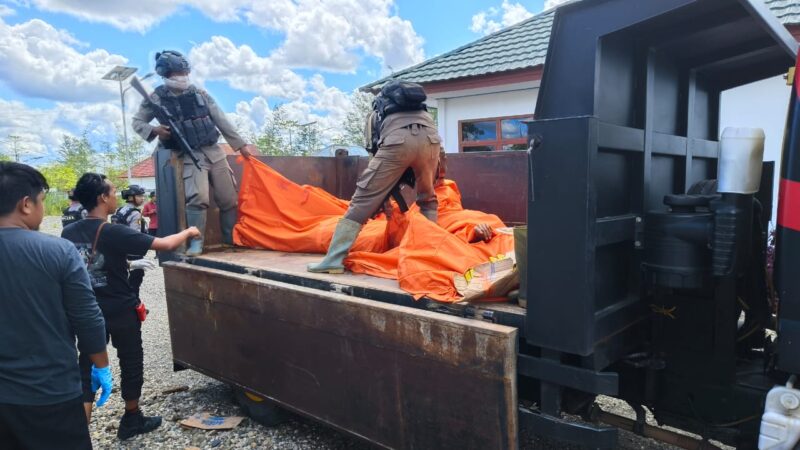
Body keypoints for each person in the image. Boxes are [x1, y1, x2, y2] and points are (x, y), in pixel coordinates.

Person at [62, 173, 200, 440]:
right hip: (120, 308)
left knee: (86, 368)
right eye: (113, 191)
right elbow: (166, 244)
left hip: (87, 309)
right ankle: (132, 418)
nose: (116, 196)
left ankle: (77, 438)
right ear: (102, 197)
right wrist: (190, 231)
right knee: (131, 361)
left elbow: (82, 263)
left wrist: (126, 265)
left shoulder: (68, 231)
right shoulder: (113, 231)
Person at [0, 162, 112, 450]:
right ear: (26, 204)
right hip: (49, 394)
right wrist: (101, 365)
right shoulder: (56, 251)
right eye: (41, 201)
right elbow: (87, 318)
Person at [131, 50, 259, 256]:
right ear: (166, 74)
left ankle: (229, 239)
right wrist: (155, 130)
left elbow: (220, 118)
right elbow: (137, 121)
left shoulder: (199, 93)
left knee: (229, 198)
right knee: (198, 197)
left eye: (184, 72)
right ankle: (196, 242)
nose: (182, 77)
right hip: (189, 154)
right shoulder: (156, 98)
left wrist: (240, 145)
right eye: (176, 73)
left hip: (214, 150)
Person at [308, 80, 441, 273]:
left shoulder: (377, 112)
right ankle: (431, 258)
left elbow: (374, 146)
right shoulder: (424, 112)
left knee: (362, 200)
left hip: (397, 143)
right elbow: (435, 153)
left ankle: (333, 259)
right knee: (428, 201)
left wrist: (378, 190)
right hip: (432, 140)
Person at [112, 184, 147, 298]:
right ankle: (135, 306)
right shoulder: (135, 213)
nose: (143, 198)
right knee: (136, 279)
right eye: (140, 196)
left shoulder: (120, 210)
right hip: (133, 253)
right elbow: (134, 235)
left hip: (120, 250)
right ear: (131, 197)